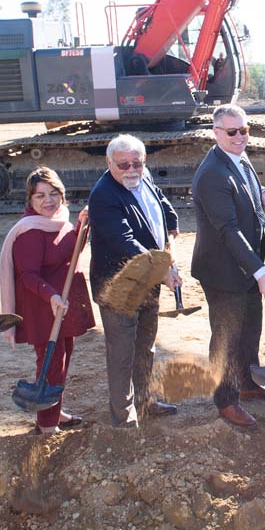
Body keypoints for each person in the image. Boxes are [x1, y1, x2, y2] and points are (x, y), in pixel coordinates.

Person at [191, 104, 265, 428]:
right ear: (216, 133)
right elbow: (227, 230)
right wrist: (260, 271)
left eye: (244, 130)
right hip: (223, 271)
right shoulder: (211, 175)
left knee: (250, 330)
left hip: (246, 265)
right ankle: (226, 401)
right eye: (232, 131)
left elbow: (251, 187)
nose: (240, 136)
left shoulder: (239, 157)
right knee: (228, 338)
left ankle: (246, 382)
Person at [88, 134, 180, 428]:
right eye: (122, 164)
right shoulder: (103, 195)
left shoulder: (144, 176)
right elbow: (124, 241)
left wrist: (171, 222)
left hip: (148, 283)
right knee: (122, 354)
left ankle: (145, 401)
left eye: (136, 164)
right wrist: (162, 270)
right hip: (120, 287)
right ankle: (123, 416)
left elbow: (159, 202)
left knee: (145, 346)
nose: (130, 170)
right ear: (108, 162)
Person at [0, 167, 95, 435]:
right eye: (40, 195)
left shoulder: (60, 222)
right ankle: (47, 423)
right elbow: (28, 275)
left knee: (63, 356)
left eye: (53, 194)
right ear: (29, 199)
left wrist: (81, 225)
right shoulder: (29, 231)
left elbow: (71, 250)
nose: (48, 201)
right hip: (42, 306)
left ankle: (54, 409)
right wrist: (50, 295)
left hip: (61, 303)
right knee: (51, 361)